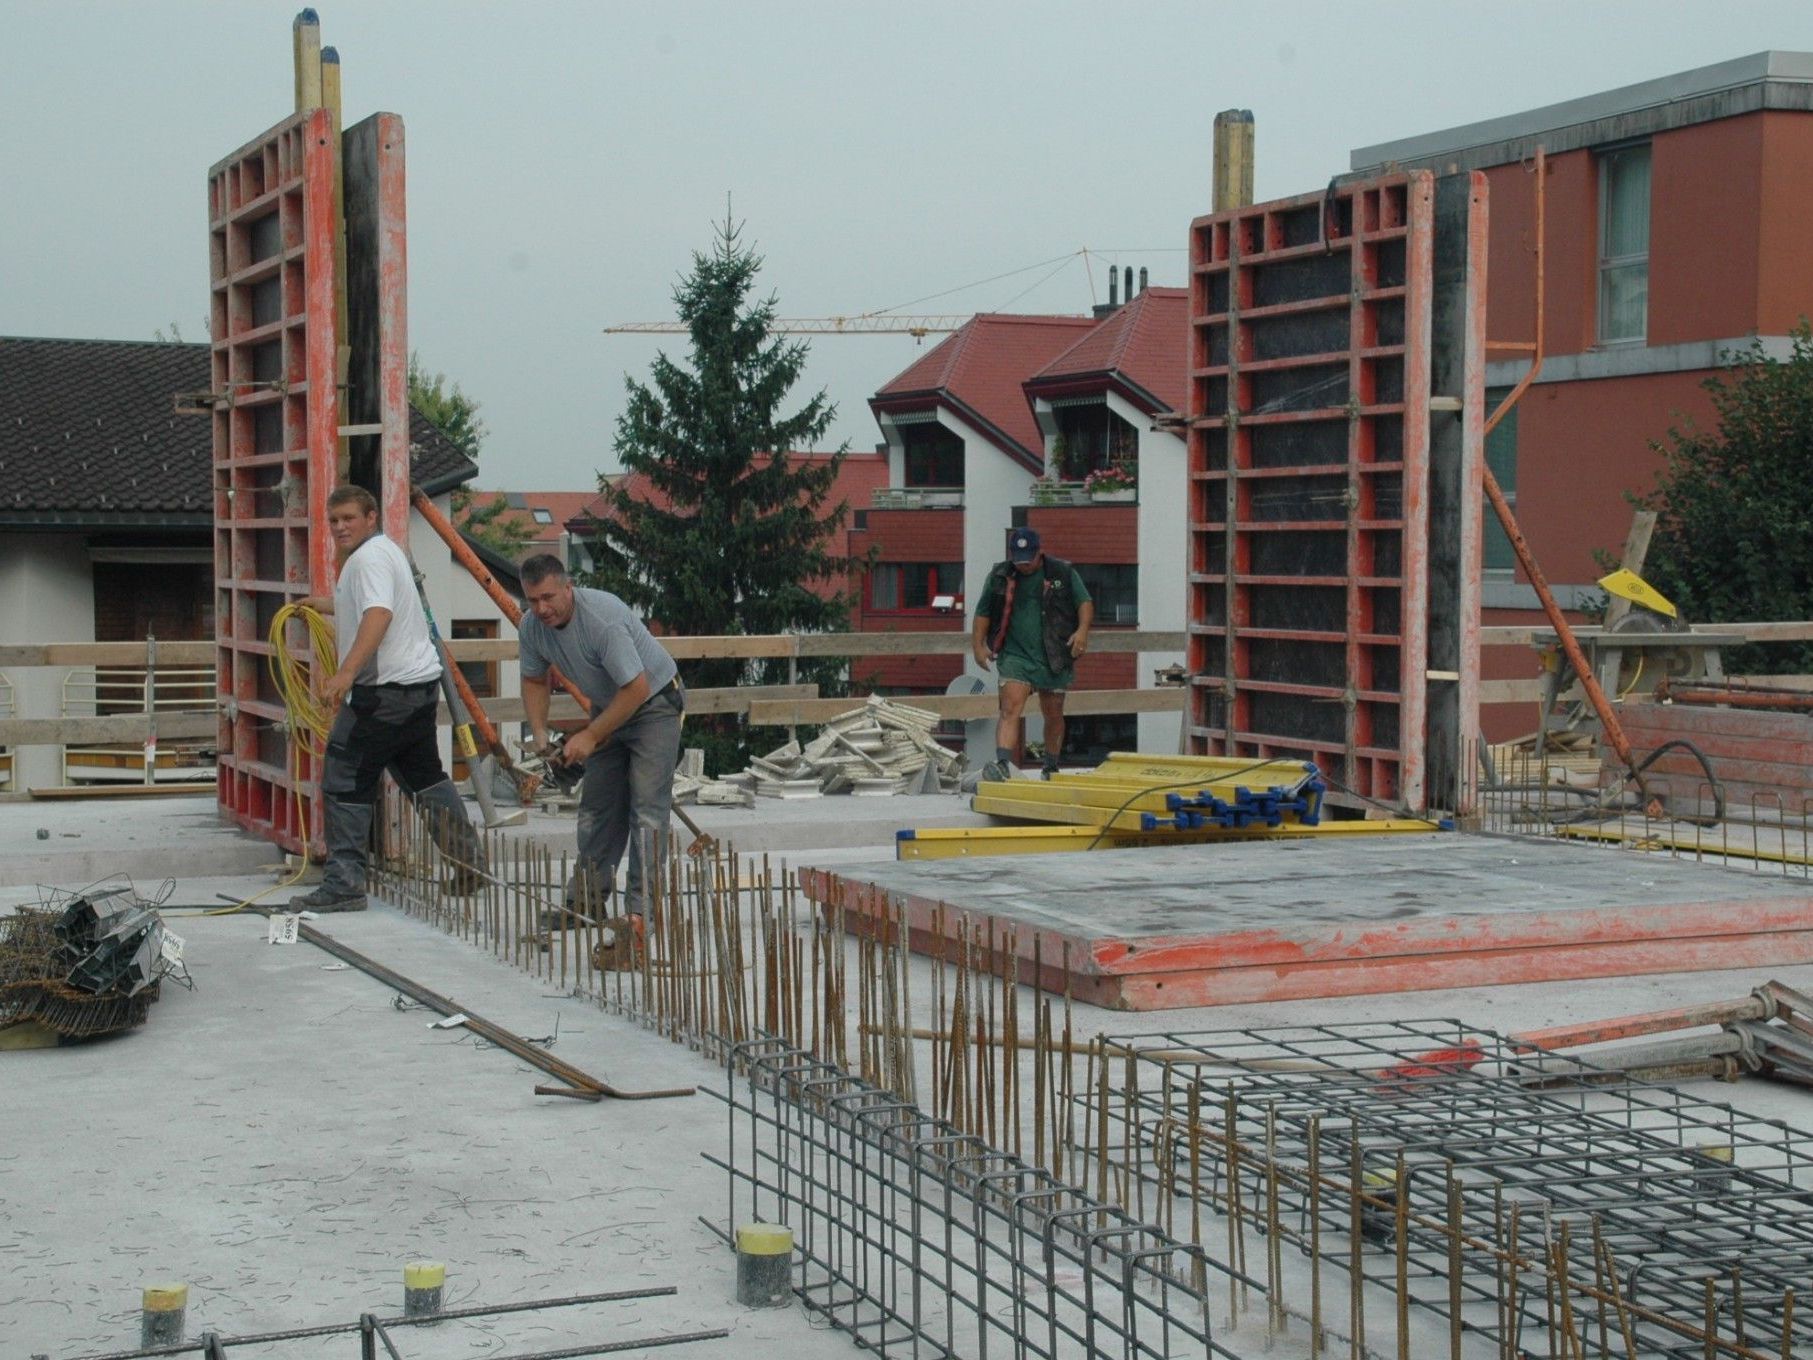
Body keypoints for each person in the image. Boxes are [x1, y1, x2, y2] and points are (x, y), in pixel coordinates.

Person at [292, 484, 483, 912]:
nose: (340, 527)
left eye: (349, 518)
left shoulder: (367, 560)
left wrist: (344, 674)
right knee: (424, 778)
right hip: (417, 690)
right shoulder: (386, 551)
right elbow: (371, 605)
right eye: (334, 520)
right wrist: (324, 604)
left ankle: (343, 886)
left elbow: (378, 614)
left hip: (384, 693)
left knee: (343, 777)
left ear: (371, 516)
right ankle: (470, 864)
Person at [517, 555, 684, 922]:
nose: (541, 609)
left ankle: (640, 915)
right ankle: (585, 904)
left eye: (548, 597)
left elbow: (636, 687)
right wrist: (541, 732)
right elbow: (533, 679)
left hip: (654, 703)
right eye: (533, 600)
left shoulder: (601, 619)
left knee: (646, 811)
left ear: (568, 587)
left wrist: (592, 735)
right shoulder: (531, 627)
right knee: (597, 809)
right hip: (610, 705)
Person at [971, 527, 1094, 782]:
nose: (1024, 565)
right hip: (1015, 654)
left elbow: (1085, 602)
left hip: (1054, 653)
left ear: (1040, 552)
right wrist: (978, 645)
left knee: (1053, 712)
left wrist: (1082, 631)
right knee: (1009, 707)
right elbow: (982, 611)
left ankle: (1050, 765)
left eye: (1028, 559)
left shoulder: (1062, 572)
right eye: (1019, 560)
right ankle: (1003, 763)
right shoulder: (999, 576)